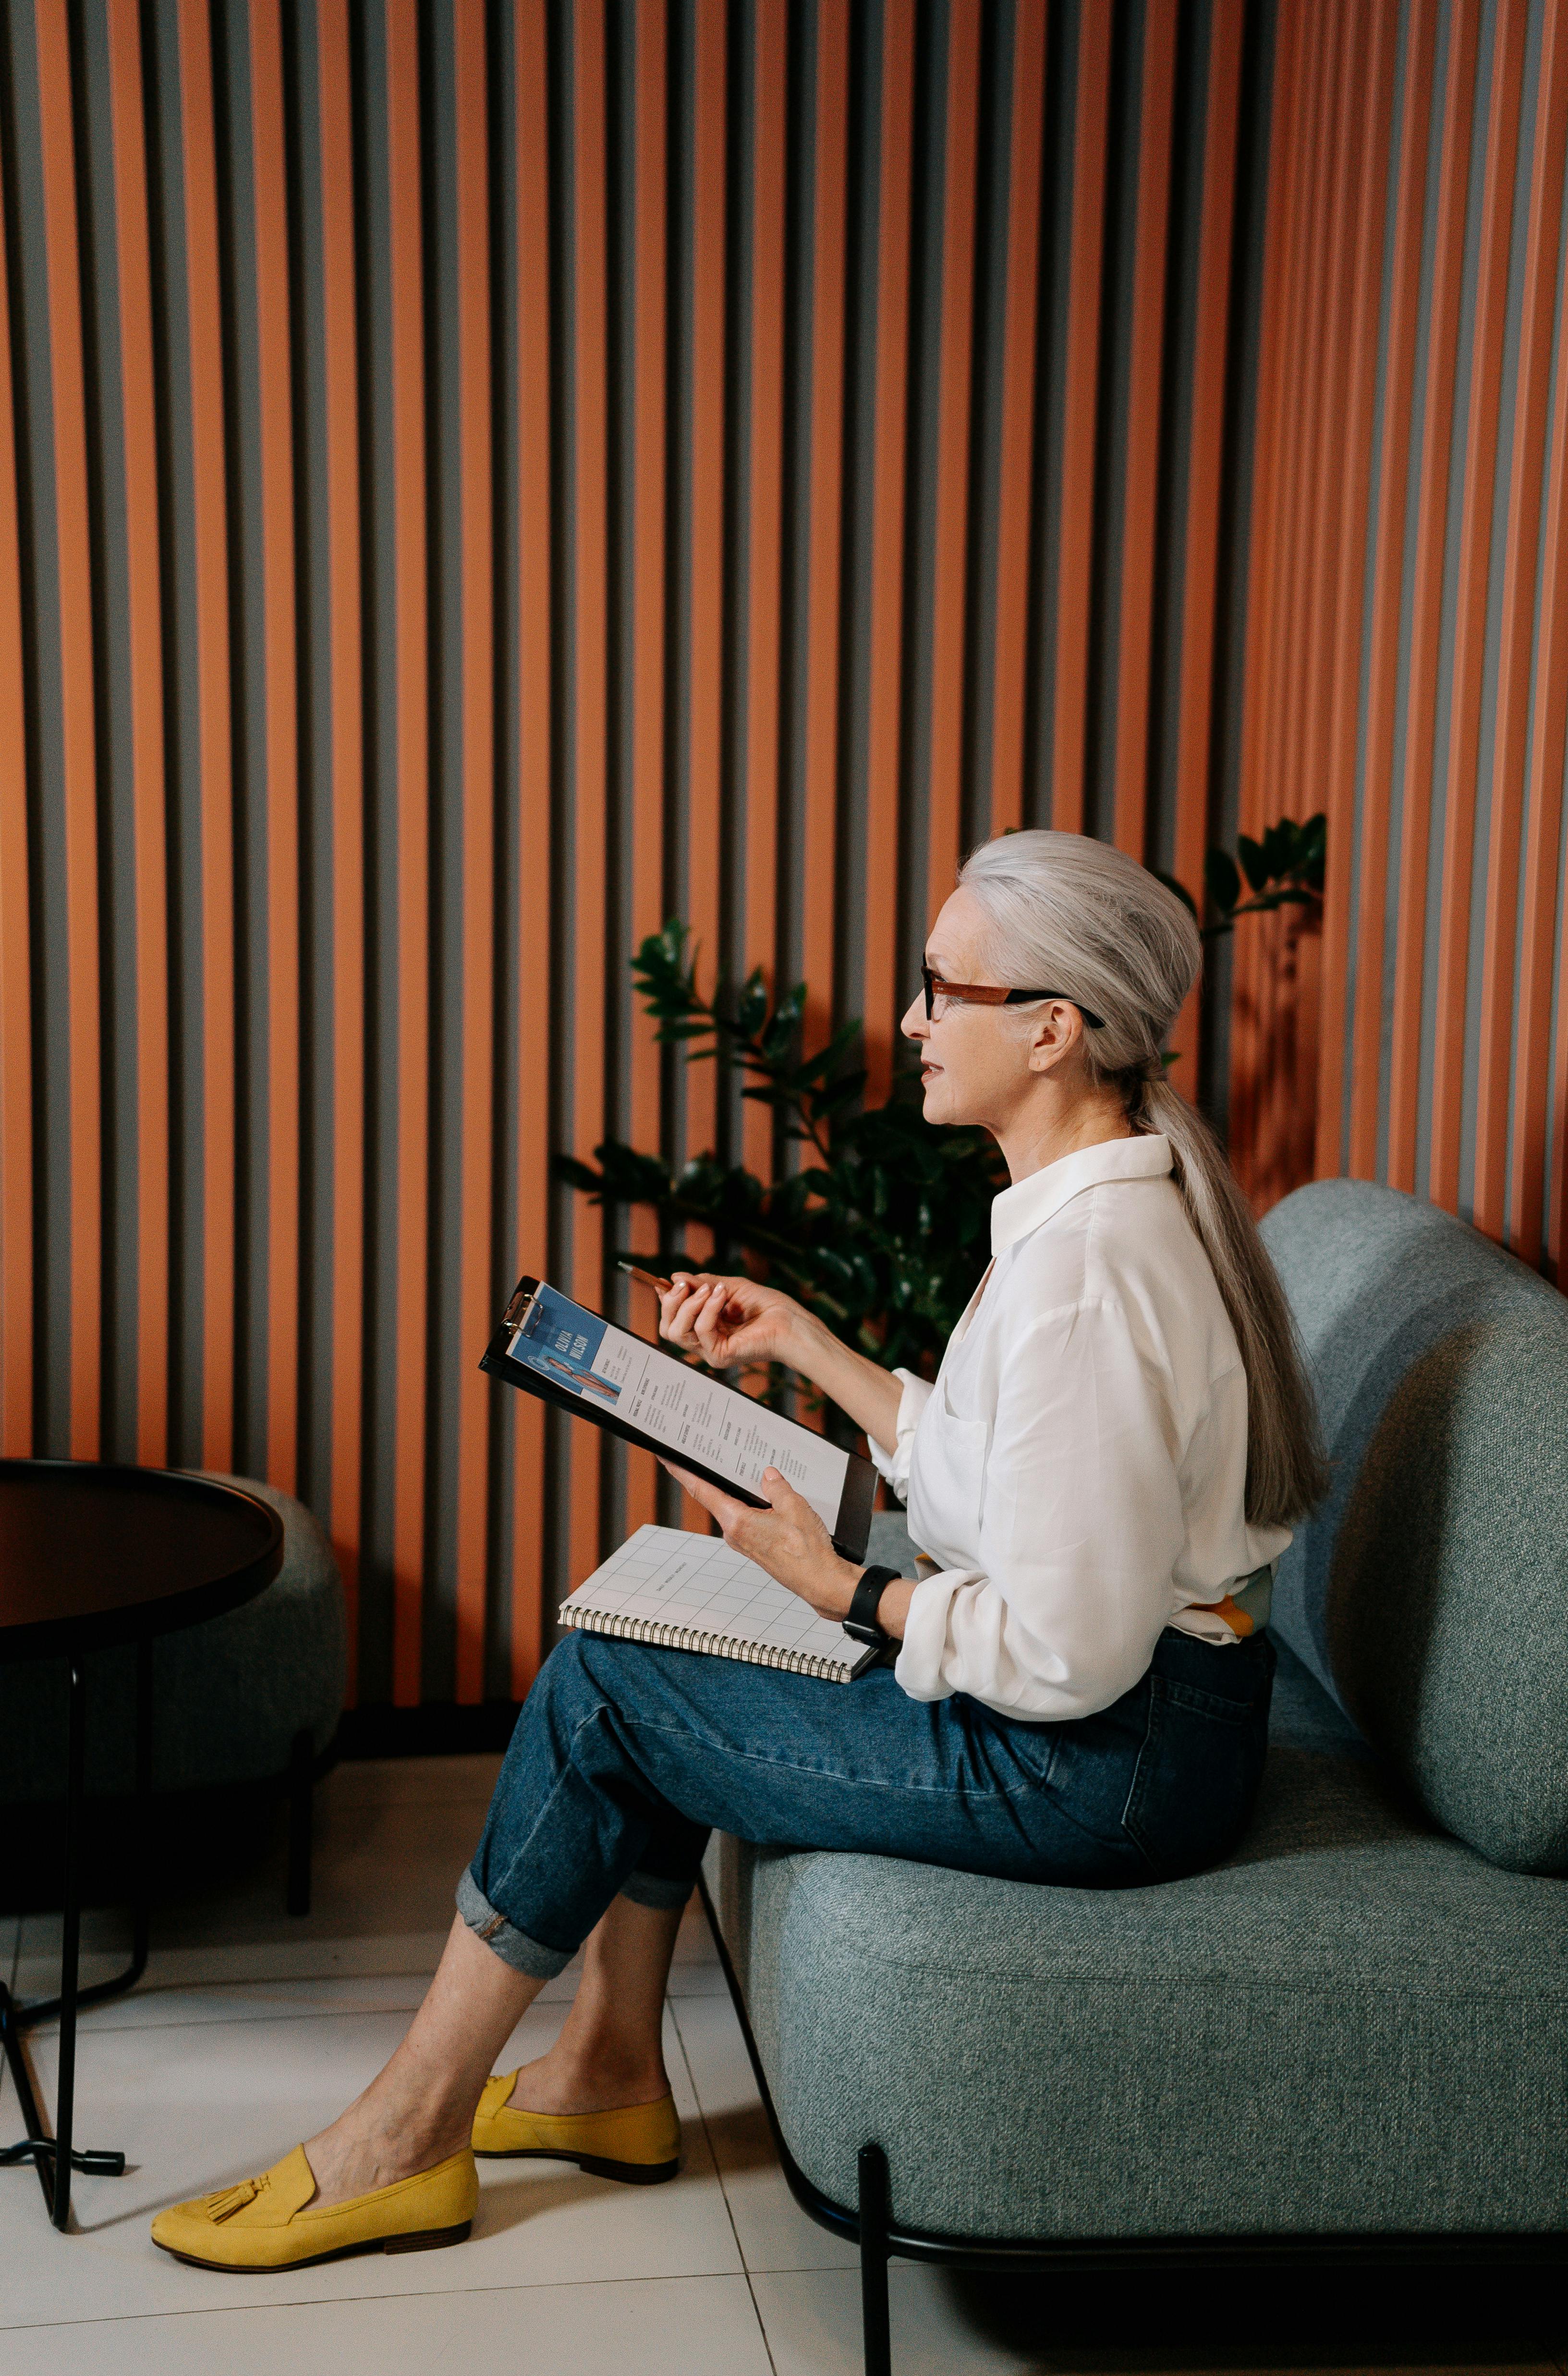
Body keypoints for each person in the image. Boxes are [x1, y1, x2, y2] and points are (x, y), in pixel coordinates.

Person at [152, 828, 1330, 2271]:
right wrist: (805, 1341)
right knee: (646, 1634)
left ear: (1051, 1029)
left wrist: (839, 1586)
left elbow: (1064, 1656)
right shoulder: (1079, 1221)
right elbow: (1002, 1469)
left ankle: (407, 2134)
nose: (913, 1021)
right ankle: (604, 2071)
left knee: (607, 1688)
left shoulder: (1091, 1273)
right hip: (1138, 1727)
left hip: (1106, 1765)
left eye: (941, 987)